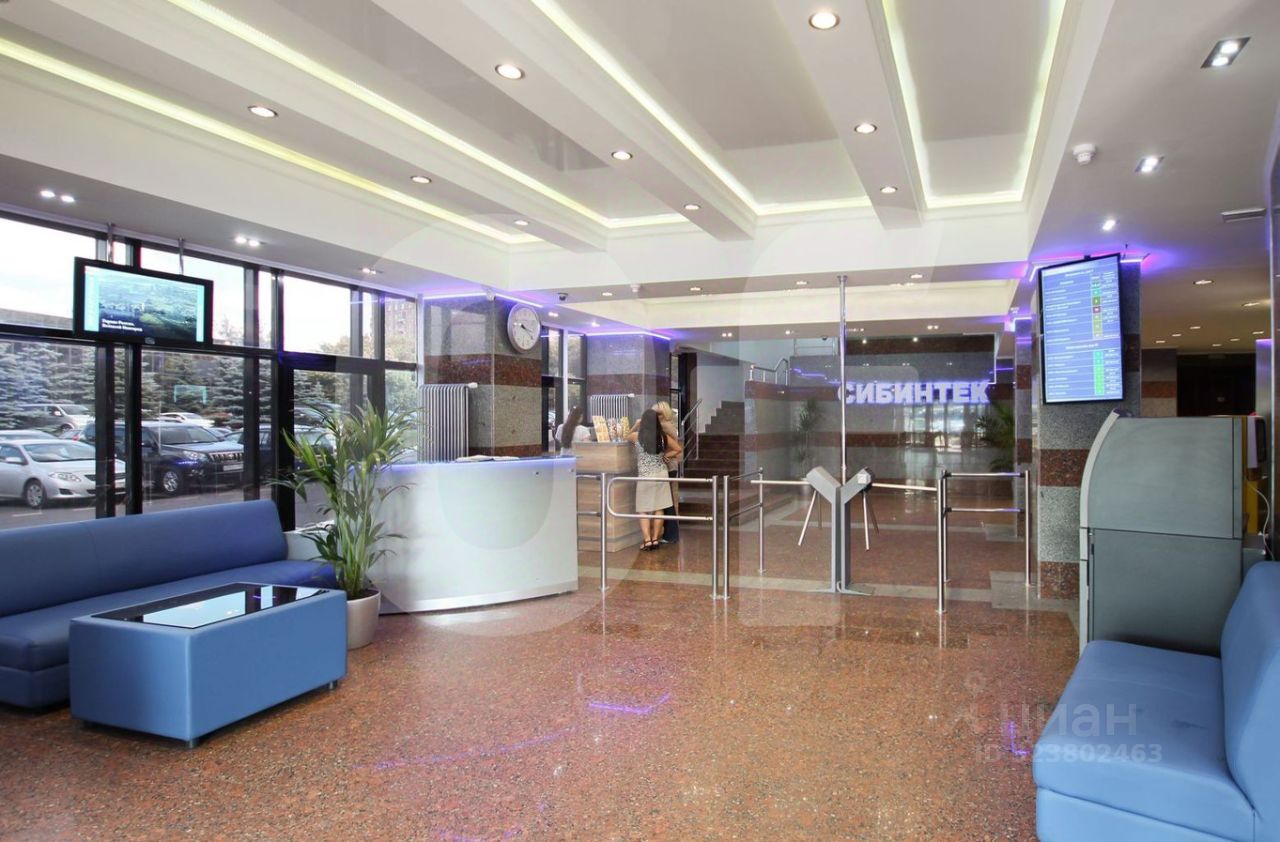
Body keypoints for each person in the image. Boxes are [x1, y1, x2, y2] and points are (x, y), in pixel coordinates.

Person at [627, 409, 677, 551]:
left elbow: (626, 436)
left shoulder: (637, 436)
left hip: (645, 475)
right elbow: (678, 449)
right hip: (661, 474)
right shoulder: (663, 437)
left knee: (643, 510)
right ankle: (655, 539)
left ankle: (647, 541)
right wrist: (666, 456)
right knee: (659, 508)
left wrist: (636, 424)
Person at [652, 401, 682, 543]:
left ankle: (671, 534)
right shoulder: (669, 424)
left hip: (668, 466)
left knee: (667, 502)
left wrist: (665, 456)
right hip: (671, 466)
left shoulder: (664, 425)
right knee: (668, 501)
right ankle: (670, 534)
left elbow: (675, 447)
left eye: (656, 413)